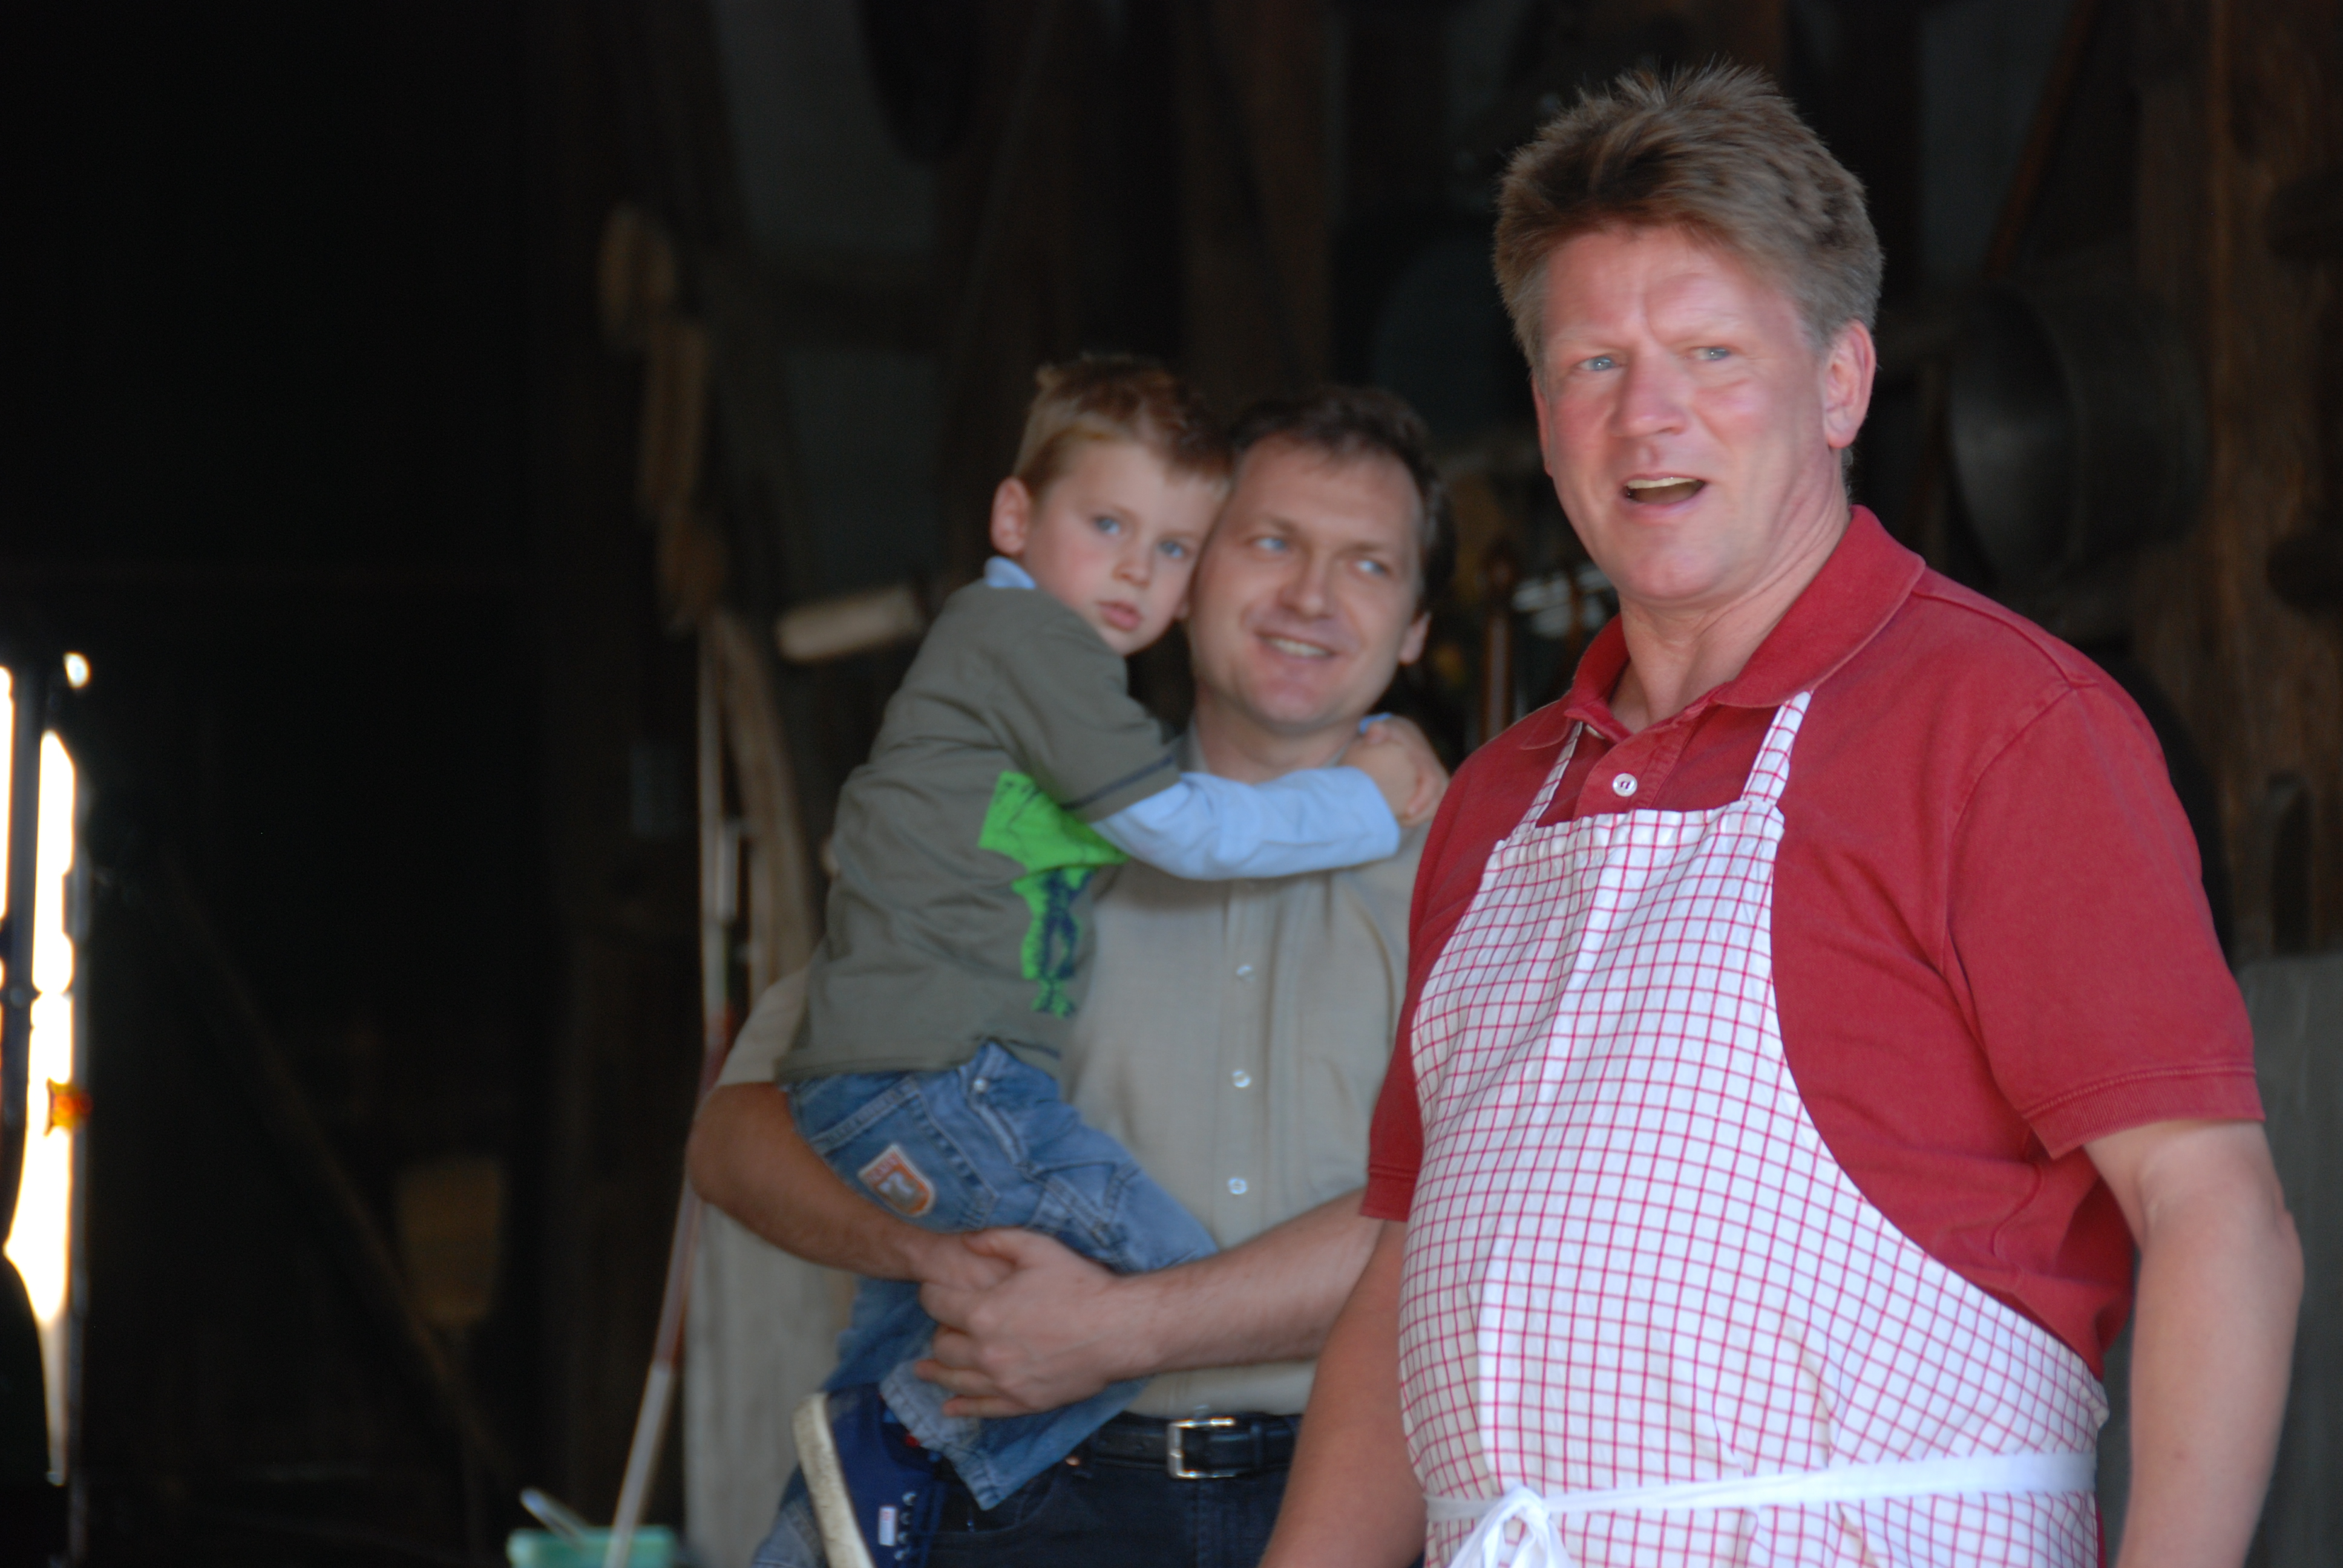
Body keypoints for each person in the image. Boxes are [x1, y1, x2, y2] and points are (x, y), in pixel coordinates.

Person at [1260, 67, 2301, 1568]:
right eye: (1593, 362)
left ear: (1840, 384)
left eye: (1711, 353)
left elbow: (2216, 1216)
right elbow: (1409, 1276)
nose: (1647, 417)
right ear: (1543, 416)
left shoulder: (2002, 725)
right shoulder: (1497, 799)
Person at [689, 383, 1458, 1568]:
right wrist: (948, 1263)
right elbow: (734, 1139)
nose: (1310, 596)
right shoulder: (1010, 828)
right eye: (1269, 542)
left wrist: (1117, 1327)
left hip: (1361, 1495)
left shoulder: (1490, 881)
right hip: (1030, 1496)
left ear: (1414, 627)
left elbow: (1482, 1213)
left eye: (1367, 564)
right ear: (1187, 574)